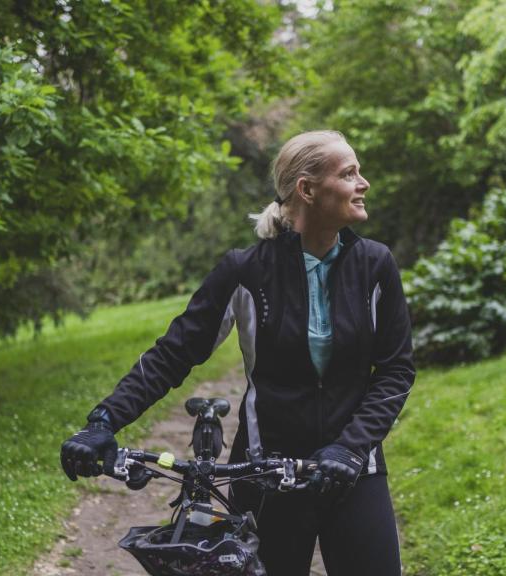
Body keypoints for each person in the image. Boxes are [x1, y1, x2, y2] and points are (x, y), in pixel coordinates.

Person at [60, 130, 416, 576]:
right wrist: (103, 421)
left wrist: (350, 448)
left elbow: (395, 370)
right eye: (349, 174)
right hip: (264, 476)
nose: (363, 183)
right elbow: (174, 353)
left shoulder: (375, 265)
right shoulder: (246, 270)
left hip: (353, 471)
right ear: (307, 190)